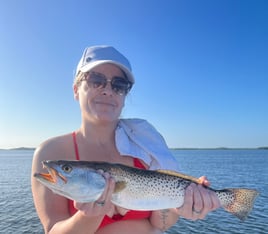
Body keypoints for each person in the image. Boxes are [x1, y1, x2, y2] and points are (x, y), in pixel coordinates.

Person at [31, 45, 220, 234]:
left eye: (119, 85)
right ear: (75, 89)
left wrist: (183, 205)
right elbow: (53, 230)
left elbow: (161, 223)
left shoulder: (146, 142)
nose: (108, 91)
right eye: (96, 80)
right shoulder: (51, 152)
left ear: (124, 95)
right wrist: (88, 216)